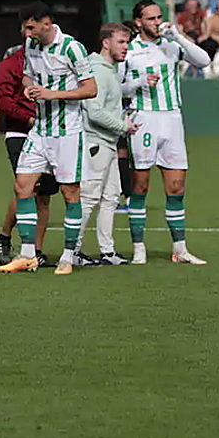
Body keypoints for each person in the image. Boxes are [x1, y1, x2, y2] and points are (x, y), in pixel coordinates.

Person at [0, 1, 97, 275]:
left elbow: (90, 89)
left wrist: (54, 94)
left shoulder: (72, 48)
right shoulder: (30, 46)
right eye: (24, 27)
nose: (26, 33)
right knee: (22, 186)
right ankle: (28, 253)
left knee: (70, 193)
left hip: (68, 132)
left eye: (30, 27)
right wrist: (30, 89)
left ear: (46, 23)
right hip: (40, 130)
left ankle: (67, 256)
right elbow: (28, 78)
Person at [121, 0, 212, 266]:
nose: (157, 22)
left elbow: (203, 61)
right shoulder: (130, 50)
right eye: (151, 18)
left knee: (176, 186)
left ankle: (180, 249)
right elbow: (116, 87)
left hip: (172, 119)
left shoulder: (172, 44)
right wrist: (138, 83)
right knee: (140, 186)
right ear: (138, 22)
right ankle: (139, 248)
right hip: (143, 119)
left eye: (159, 17)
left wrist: (180, 37)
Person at [0, 42, 59, 266]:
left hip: (51, 134)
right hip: (21, 132)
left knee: (45, 195)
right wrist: (26, 118)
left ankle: (36, 251)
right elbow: (1, 98)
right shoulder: (12, 63)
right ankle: (5, 237)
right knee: (27, 188)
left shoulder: (58, 57)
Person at [75, 23, 135, 266]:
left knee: (111, 196)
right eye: (121, 42)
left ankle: (108, 252)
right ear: (106, 42)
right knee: (88, 198)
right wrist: (123, 126)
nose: (126, 47)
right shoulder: (98, 70)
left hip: (107, 142)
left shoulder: (109, 69)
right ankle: (73, 251)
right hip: (95, 142)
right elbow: (94, 111)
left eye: (127, 42)